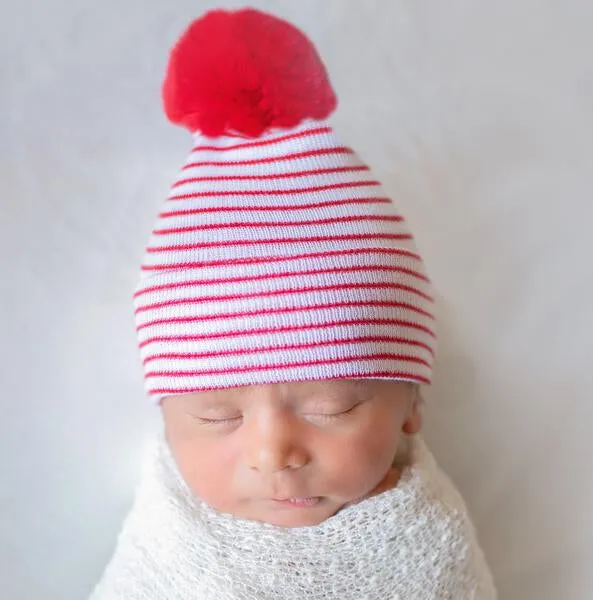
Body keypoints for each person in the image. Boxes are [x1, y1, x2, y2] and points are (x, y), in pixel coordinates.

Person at [89, 7, 496, 599]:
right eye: (216, 416)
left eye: (331, 407)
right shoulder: (165, 545)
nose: (272, 452)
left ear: (411, 403)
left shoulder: (431, 542)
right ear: (167, 420)